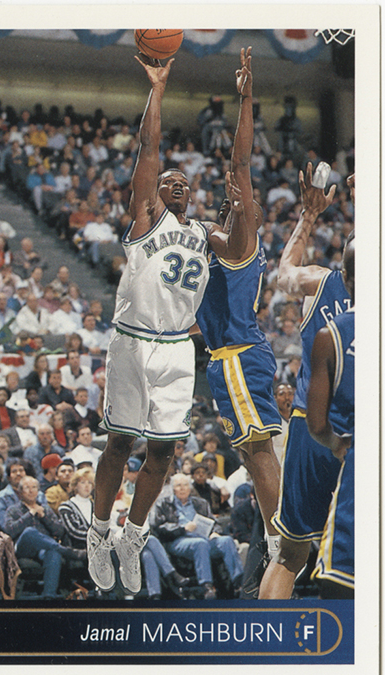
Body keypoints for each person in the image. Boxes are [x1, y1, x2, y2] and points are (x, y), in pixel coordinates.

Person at [88, 54, 247, 597]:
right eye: (168, 180)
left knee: (163, 452)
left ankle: (133, 535)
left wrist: (240, 203)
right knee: (119, 442)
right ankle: (99, 531)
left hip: (178, 348)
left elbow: (241, 247)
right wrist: (156, 88)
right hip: (133, 341)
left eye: (184, 181)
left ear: (192, 195)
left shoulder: (205, 233)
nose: (176, 182)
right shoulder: (144, 220)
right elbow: (149, 149)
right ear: (154, 192)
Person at [195, 48, 282, 564]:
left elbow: (241, 162)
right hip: (229, 357)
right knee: (251, 452)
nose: (235, 201)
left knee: (260, 450)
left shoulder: (239, 241)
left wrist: (246, 99)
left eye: (243, 202)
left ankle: (282, 538)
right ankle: (277, 535)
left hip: (239, 357)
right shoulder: (221, 249)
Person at [258, 170, 352, 600]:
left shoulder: (323, 280)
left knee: (290, 553)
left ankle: (263, 639)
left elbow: (282, 274)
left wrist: (309, 217)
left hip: (311, 430)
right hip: (358, 437)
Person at [306, 231, 354, 598]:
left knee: (343, 586)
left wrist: (338, 444)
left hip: (363, 464)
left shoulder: (331, 335)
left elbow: (318, 424)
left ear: (346, 279)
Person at [150, 474, 244, 599]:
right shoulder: (163, 504)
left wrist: (215, 532)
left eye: (185, 485)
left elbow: (214, 523)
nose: (182, 488)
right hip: (178, 540)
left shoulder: (200, 503)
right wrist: (182, 529)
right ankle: (206, 586)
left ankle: (238, 582)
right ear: (173, 489)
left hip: (204, 538)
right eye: (178, 485)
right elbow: (158, 526)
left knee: (226, 540)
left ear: (190, 488)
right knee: (200, 543)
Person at [4, 476, 84, 599]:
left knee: (54, 553)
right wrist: (30, 514)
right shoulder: (13, 510)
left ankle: (49, 596)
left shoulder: (45, 509)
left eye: (34, 487)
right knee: (30, 532)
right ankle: (68, 552)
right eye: (27, 488)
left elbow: (59, 531)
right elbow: (10, 531)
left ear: (38, 491)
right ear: (20, 492)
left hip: (43, 548)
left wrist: (44, 517)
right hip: (23, 548)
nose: (31, 491)